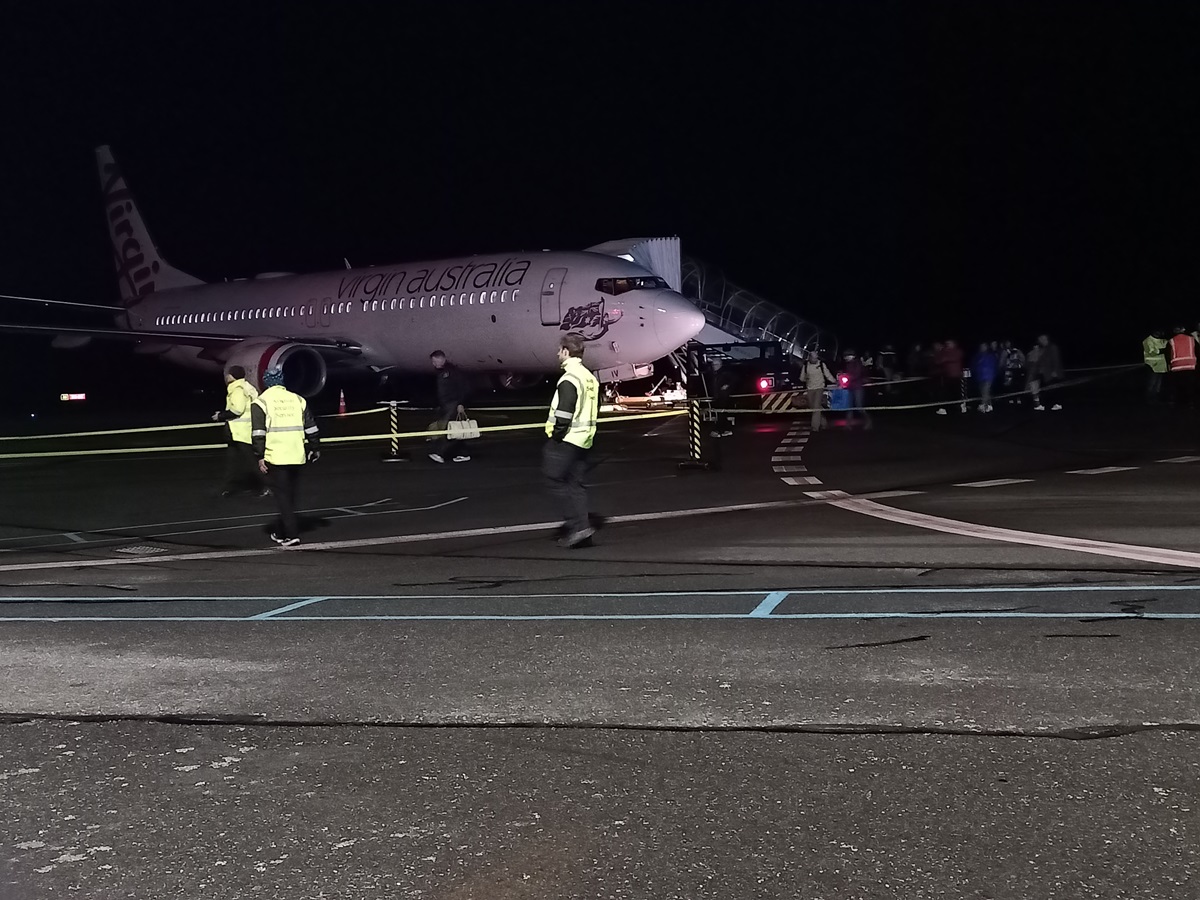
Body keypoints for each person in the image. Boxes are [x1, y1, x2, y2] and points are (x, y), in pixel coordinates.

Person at [251, 368, 320, 547]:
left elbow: (258, 433)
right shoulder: (298, 399)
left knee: (282, 496)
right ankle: (281, 531)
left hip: (276, 455)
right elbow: (311, 427)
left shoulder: (261, 402)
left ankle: (291, 534)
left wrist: (260, 456)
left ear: (266, 382)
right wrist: (315, 447)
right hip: (297, 454)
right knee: (290, 495)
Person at [544, 332, 600, 548]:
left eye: (560, 350)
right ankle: (583, 528)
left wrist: (557, 435)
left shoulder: (569, 379)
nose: (558, 354)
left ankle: (576, 526)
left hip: (567, 440)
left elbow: (564, 412)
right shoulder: (588, 377)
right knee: (575, 484)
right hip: (585, 440)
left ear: (566, 352)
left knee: (554, 479)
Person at [212, 365, 267, 497]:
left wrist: (220, 416)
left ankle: (265, 485)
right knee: (233, 462)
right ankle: (228, 487)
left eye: (228, 374)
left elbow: (237, 410)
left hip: (240, 432)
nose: (226, 376)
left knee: (249, 462)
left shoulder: (237, 389)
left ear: (232, 376)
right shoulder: (247, 387)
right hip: (239, 431)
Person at [428, 350, 472, 464]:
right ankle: (463, 453)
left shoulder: (453, 371)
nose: (434, 364)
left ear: (442, 359)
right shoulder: (441, 372)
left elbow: (464, 387)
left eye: (435, 361)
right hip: (446, 404)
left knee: (448, 429)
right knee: (455, 429)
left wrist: (461, 403)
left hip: (453, 403)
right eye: (433, 361)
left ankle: (440, 453)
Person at [801, 349, 835, 431]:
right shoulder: (806, 366)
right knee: (813, 407)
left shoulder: (821, 364)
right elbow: (802, 377)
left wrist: (834, 381)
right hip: (810, 388)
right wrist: (806, 379)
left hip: (819, 388)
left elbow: (827, 374)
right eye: (813, 358)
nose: (815, 360)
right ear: (810, 358)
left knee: (816, 406)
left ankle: (815, 427)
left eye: (816, 358)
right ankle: (824, 422)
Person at [1029, 334, 1064, 411]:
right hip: (1045, 373)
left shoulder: (1052, 347)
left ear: (1046, 339)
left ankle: (1057, 403)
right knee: (1049, 388)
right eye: (1040, 340)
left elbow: (1056, 360)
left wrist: (1054, 371)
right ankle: (1053, 403)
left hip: (1051, 372)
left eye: (1042, 339)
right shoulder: (1044, 349)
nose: (1040, 341)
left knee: (1054, 388)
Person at [840, 348, 871, 430]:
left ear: (851, 356)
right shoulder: (848, 364)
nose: (845, 358)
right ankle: (848, 424)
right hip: (850, 387)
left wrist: (847, 377)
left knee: (859, 406)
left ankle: (868, 421)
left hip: (858, 387)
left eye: (846, 356)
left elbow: (856, 374)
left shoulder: (857, 363)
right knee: (849, 406)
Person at [1168, 326, 1196, 408]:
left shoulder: (1172, 340)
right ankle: (1190, 401)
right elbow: (1197, 350)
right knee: (1189, 385)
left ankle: (1180, 402)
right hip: (1190, 365)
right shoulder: (1191, 339)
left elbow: (1168, 354)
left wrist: (1169, 364)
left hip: (1177, 366)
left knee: (1179, 385)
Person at [971, 342, 999, 412]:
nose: (982, 348)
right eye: (981, 346)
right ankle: (989, 405)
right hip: (980, 377)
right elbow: (975, 366)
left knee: (985, 391)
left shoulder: (990, 356)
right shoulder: (978, 356)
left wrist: (992, 375)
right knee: (983, 391)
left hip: (988, 376)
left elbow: (993, 366)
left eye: (984, 346)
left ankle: (983, 405)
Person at [1142, 329, 1168, 404]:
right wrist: (1162, 350)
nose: (1159, 333)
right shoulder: (1148, 340)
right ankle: (1149, 399)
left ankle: (1156, 398)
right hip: (1152, 366)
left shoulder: (1162, 340)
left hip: (1161, 366)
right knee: (1151, 383)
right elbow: (1152, 352)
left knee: (1158, 385)